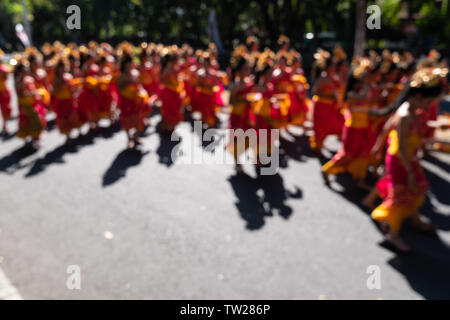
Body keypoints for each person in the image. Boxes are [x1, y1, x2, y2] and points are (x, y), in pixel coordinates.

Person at [370, 67, 448, 252]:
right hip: (401, 161)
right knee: (400, 198)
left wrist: (439, 124)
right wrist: (411, 171)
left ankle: (415, 219)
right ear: (420, 97)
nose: (430, 106)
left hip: (409, 159)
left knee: (417, 191)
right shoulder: (405, 115)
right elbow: (402, 146)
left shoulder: (416, 111)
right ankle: (392, 235)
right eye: (429, 102)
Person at [322, 61, 374, 188]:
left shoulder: (362, 92)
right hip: (353, 129)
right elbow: (366, 98)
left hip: (363, 128)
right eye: (361, 82)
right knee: (347, 155)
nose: (363, 84)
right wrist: (367, 83)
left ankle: (360, 180)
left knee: (363, 154)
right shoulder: (352, 95)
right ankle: (327, 170)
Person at [310, 49, 343, 156]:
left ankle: (321, 144)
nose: (334, 67)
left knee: (331, 126)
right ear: (327, 66)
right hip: (321, 106)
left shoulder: (333, 78)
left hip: (330, 107)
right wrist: (329, 96)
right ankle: (318, 147)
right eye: (332, 65)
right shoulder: (323, 78)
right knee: (321, 128)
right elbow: (315, 92)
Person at [117, 55, 151, 149]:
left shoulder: (136, 73)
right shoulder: (122, 76)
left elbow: (139, 85)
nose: (129, 66)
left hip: (136, 101)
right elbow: (119, 89)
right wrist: (128, 89)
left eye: (130, 64)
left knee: (139, 119)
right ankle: (129, 139)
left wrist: (142, 94)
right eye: (127, 65)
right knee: (127, 119)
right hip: (126, 102)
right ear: (124, 66)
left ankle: (135, 136)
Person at [15, 63, 47, 147]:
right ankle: (27, 139)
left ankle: (36, 138)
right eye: (23, 71)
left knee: (37, 120)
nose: (25, 73)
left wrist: (37, 94)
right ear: (19, 72)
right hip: (24, 105)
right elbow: (20, 94)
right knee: (26, 121)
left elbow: (33, 89)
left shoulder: (30, 79)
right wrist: (31, 94)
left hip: (33, 103)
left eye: (26, 71)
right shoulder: (18, 82)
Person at [52, 60, 82, 144]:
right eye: (60, 68)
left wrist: (75, 91)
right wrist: (62, 86)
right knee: (64, 119)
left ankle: (79, 131)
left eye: (63, 68)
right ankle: (68, 136)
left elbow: (73, 88)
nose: (62, 70)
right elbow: (55, 91)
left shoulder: (69, 76)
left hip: (70, 100)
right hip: (61, 101)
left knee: (74, 115)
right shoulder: (56, 79)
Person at [159, 52, 186, 131]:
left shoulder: (175, 68)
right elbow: (162, 80)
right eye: (177, 60)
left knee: (175, 109)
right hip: (169, 92)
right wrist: (170, 82)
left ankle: (171, 126)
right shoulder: (167, 69)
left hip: (175, 92)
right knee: (169, 109)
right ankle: (168, 125)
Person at [0, 63, 12, 134]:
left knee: (6, 109)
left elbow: (7, 76)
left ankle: (5, 126)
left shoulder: (4, 68)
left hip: (3, 92)